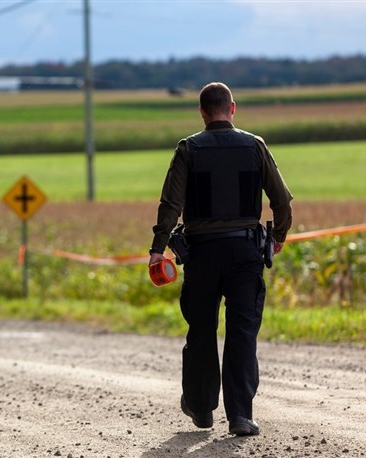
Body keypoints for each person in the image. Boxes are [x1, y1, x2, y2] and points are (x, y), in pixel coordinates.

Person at [149, 82, 293, 436]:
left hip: (201, 254)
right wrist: (277, 238)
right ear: (232, 108)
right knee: (242, 331)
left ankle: (201, 409)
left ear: (201, 112)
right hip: (245, 253)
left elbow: (171, 203)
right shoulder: (254, 145)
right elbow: (282, 201)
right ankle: (241, 415)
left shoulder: (189, 148)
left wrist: (158, 247)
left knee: (201, 330)